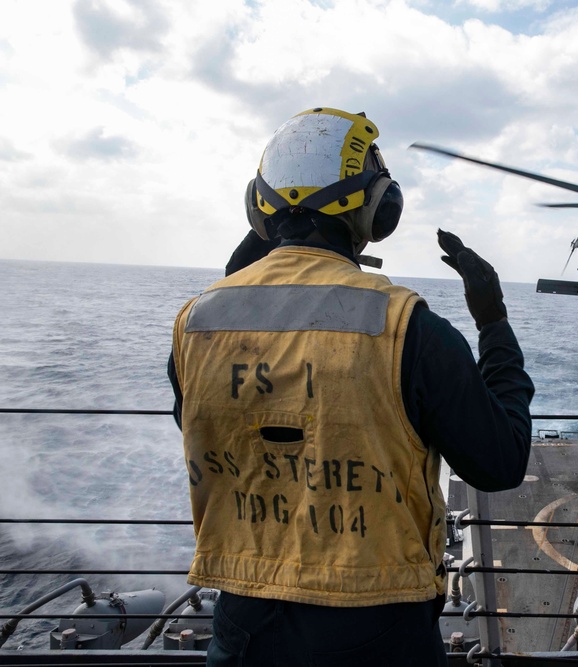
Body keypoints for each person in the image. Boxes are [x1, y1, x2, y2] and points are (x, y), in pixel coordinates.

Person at [167, 107, 534, 666]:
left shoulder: (195, 323)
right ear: (377, 209)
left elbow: (215, 429)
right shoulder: (407, 327)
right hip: (378, 625)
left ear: (259, 208)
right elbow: (500, 461)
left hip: (240, 625)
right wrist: (494, 323)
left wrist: (238, 277)